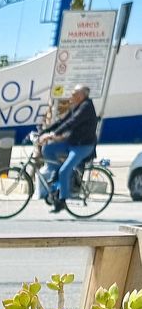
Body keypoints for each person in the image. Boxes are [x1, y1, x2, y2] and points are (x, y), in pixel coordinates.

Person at [38, 85, 98, 213]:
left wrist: (54, 134)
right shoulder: (76, 106)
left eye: (73, 93)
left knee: (64, 171)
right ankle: (55, 172)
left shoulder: (86, 107)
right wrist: (44, 131)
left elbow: (72, 122)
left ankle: (62, 201)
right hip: (72, 143)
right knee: (47, 149)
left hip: (83, 147)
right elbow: (62, 121)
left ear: (81, 96)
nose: (71, 96)